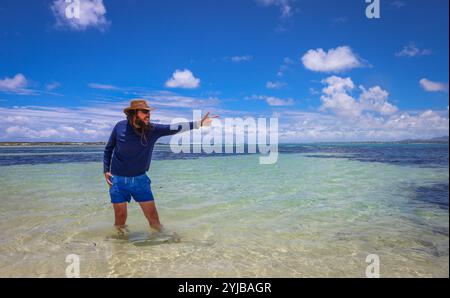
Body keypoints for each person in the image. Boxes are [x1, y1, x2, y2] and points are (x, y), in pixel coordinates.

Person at [103, 99, 218, 234]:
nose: (148, 114)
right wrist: (106, 170)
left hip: (140, 181)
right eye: (144, 112)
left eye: (149, 112)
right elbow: (108, 149)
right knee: (120, 221)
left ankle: (165, 239)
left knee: (154, 220)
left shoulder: (152, 129)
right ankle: (119, 248)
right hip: (118, 181)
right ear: (133, 113)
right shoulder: (119, 127)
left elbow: (173, 128)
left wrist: (198, 124)